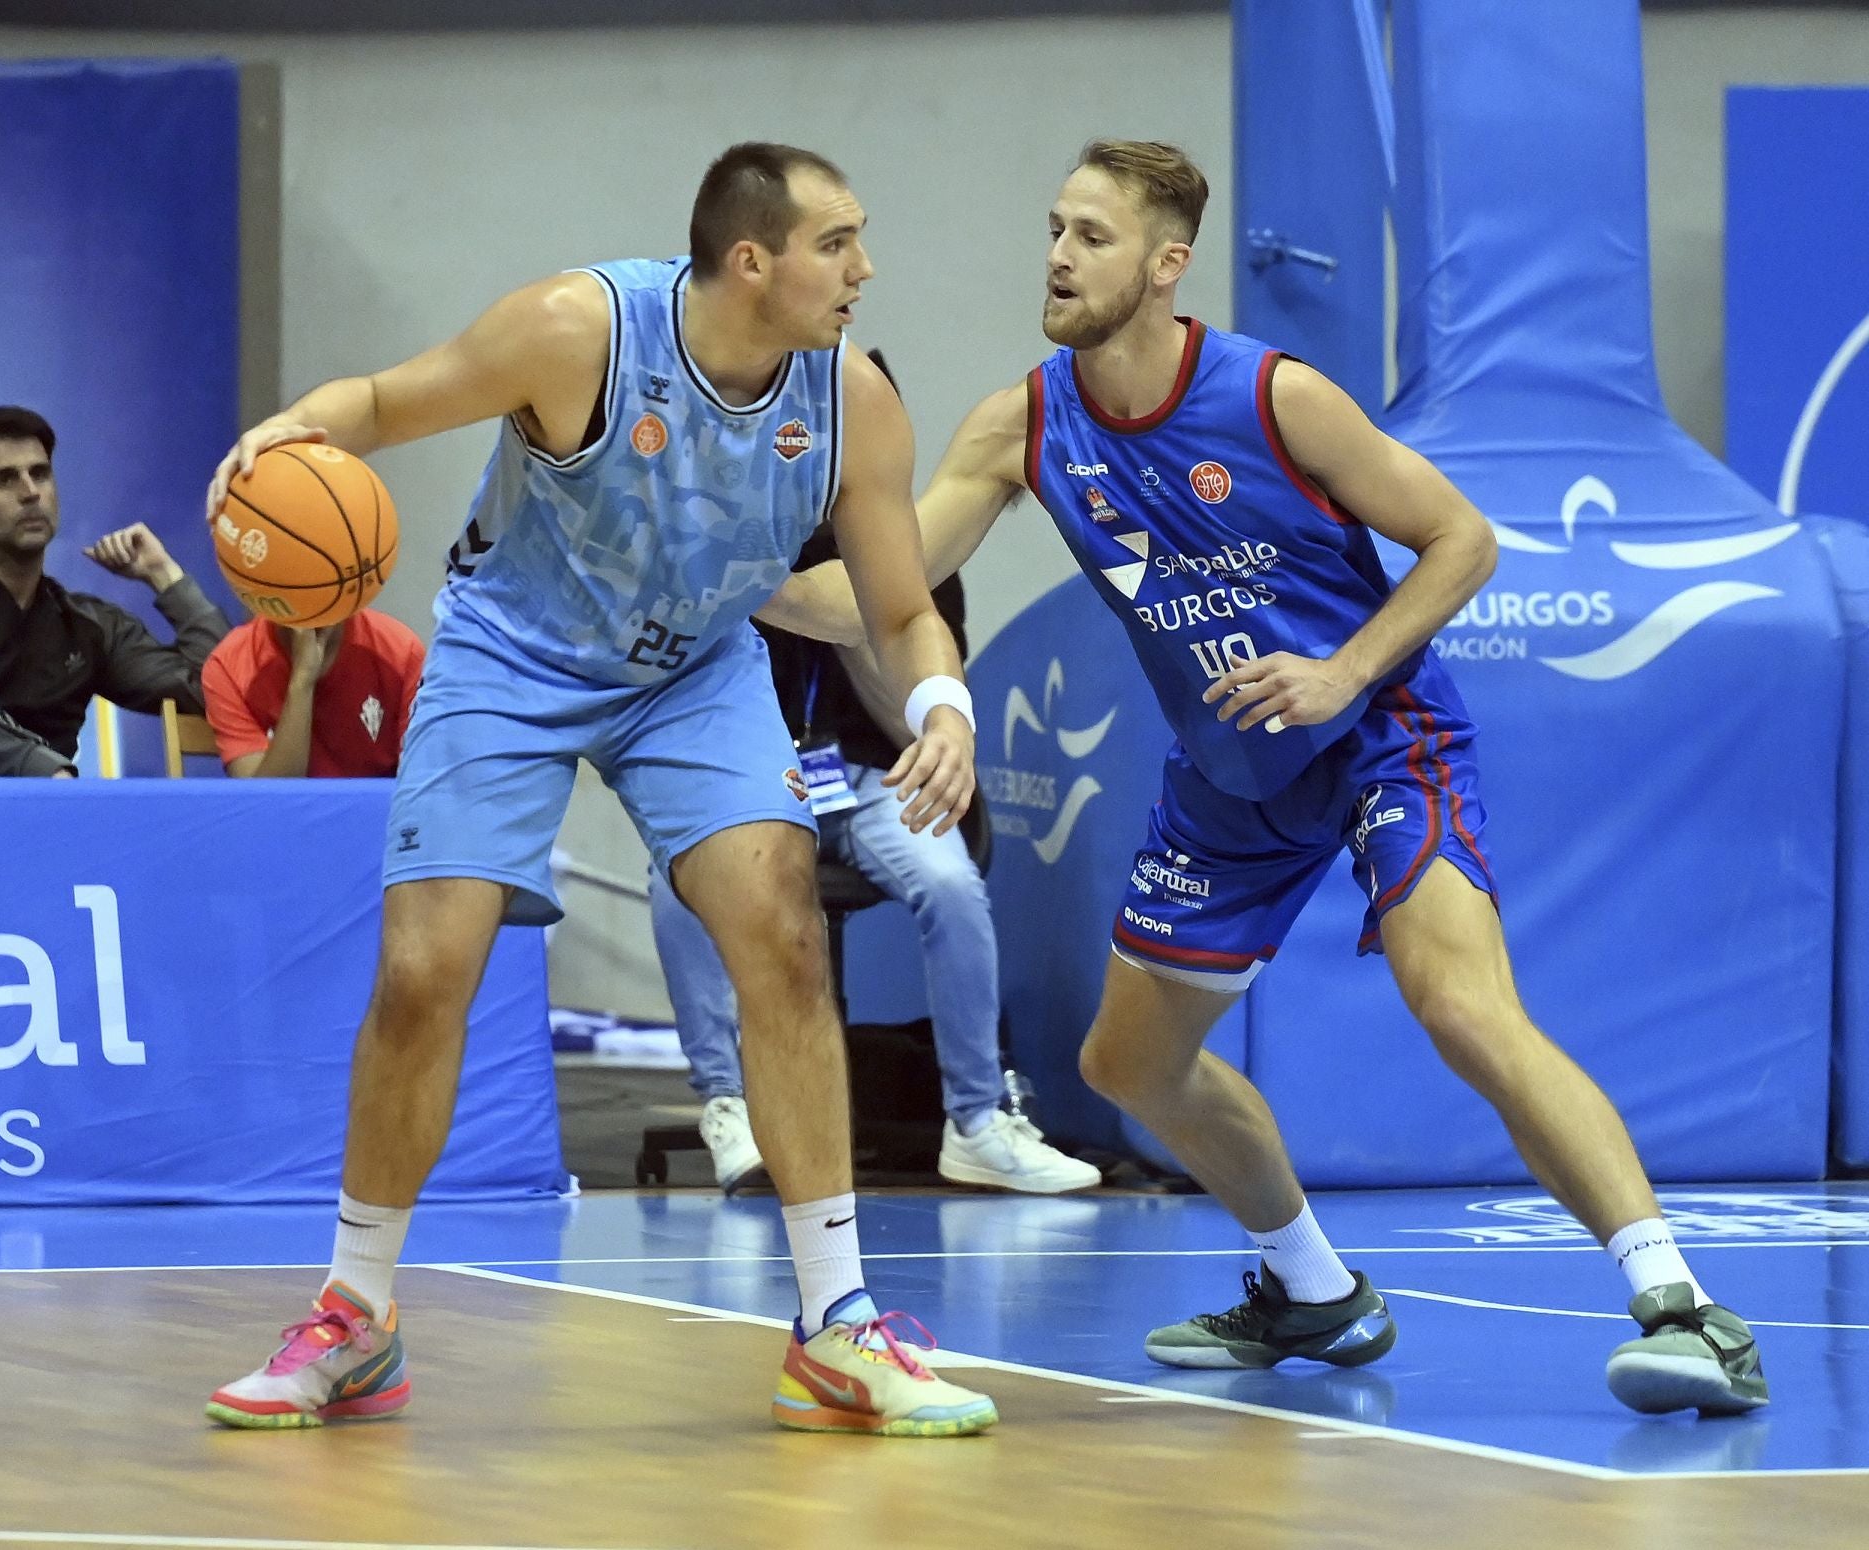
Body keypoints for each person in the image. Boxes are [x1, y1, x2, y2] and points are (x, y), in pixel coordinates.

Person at [760, 140, 1766, 1417]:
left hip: (1378, 737)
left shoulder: (1277, 396)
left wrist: (1343, 672)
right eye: (1054, 228)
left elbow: (1463, 538)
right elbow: (883, 591)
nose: (1059, 256)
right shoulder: (1023, 422)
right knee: (1131, 1065)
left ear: (1168, 265)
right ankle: (1313, 1290)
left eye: (1093, 236)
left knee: (1458, 1003)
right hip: (1229, 780)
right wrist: (730, 579)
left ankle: (1685, 1306)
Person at [203, 142, 997, 1438]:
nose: (867, 268)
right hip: (512, 654)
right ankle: (353, 1315)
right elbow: (388, 401)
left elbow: (902, 610)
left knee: (787, 930)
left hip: (693, 665)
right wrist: (276, 441)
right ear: (755, 259)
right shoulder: (577, 329)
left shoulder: (854, 400)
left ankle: (839, 1327)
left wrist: (943, 705)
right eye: (839, 242)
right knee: (426, 965)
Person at [651, 497, 1100, 1196]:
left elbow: (914, 725)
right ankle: (729, 1104)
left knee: (950, 886)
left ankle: (979, 1121)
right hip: (751, 776)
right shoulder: (715, 542)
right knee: (674, 881)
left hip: (870, 775)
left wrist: (852, 617)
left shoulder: (907, 552)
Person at [0, 405, 227, 776]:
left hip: (57, 820)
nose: (30, 492)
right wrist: (49, 772)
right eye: (5, 479)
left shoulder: (86, 626)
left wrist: (165, 577)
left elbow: (219, 692)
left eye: (40, 473)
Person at [201, 610, 425, 777]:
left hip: (379, 828)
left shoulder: (401, 651)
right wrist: (302, 680)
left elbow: (424, 789)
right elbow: (268, 808)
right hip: (289, 834)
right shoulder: (228, 666)